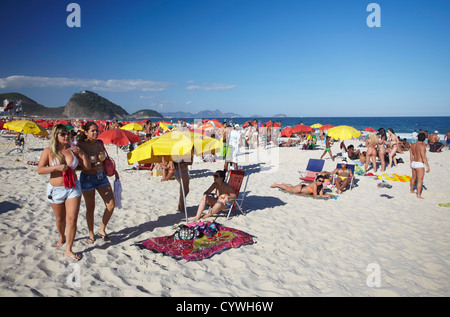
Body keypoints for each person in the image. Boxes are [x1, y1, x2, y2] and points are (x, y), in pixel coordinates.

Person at [37, 124, 90, 261]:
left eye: (68, 134)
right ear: (56, 136)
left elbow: (86, 167)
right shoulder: (48, 151)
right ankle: (62, 236)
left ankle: (68, 249)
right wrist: (58, 168)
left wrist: (82, 154)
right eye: (63, 134)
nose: (67, 136)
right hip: (56, 190)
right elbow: (40, 170)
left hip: (73, 187)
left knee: (72, 219)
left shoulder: (73, 150)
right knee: (60, 219)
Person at [78, 122, 119, 244]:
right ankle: (91, 234)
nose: (95, 133)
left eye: (96, 130)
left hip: (102, 178)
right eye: (92, 131)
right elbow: (75, 166)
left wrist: (113, 170)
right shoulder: (80, 145)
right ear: (86, 132)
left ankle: (102, 229)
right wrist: (88, 168)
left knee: (111, 204)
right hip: (87, 179)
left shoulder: (100, 143)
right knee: (91, 208)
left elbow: (105, 160)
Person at [410, 132, 430, 199]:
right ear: (424, 139)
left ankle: (412, 190)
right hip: (419, 164)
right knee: (420, 180)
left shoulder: (412, 145)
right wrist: (427, 166)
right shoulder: (422, 146)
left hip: (413, 163)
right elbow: (423, 157)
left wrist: (411, 163)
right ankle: (418, 195)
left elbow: (411, 155)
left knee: (413, 178)